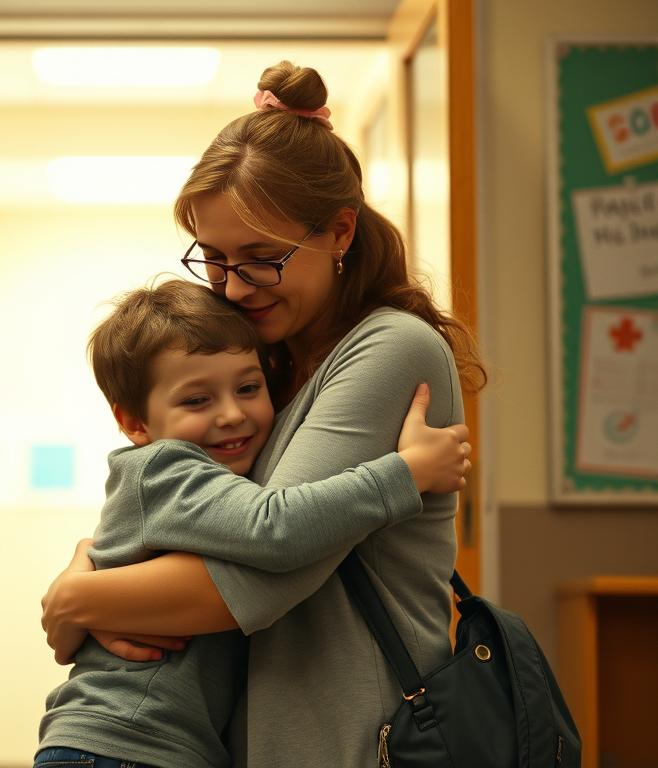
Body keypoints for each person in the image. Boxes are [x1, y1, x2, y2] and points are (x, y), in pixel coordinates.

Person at [41, 60, 488, 767]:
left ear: (340, 233)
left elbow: (252, 572)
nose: (232, 285)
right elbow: (189, 524)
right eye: (213, 258)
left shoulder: (390, 348)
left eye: (259, 258)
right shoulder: (263, 365)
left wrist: (81, 599)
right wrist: (82, 571)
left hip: (359, 740)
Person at [35, 278, 471, 768]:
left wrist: (79, 596)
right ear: (135, 423)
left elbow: (71, 629)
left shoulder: (212, 474)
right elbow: (274, 528)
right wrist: (406, 474)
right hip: (122, 744)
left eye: (248, 388)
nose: (232, 414)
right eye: (197, 400)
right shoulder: (166, 468)